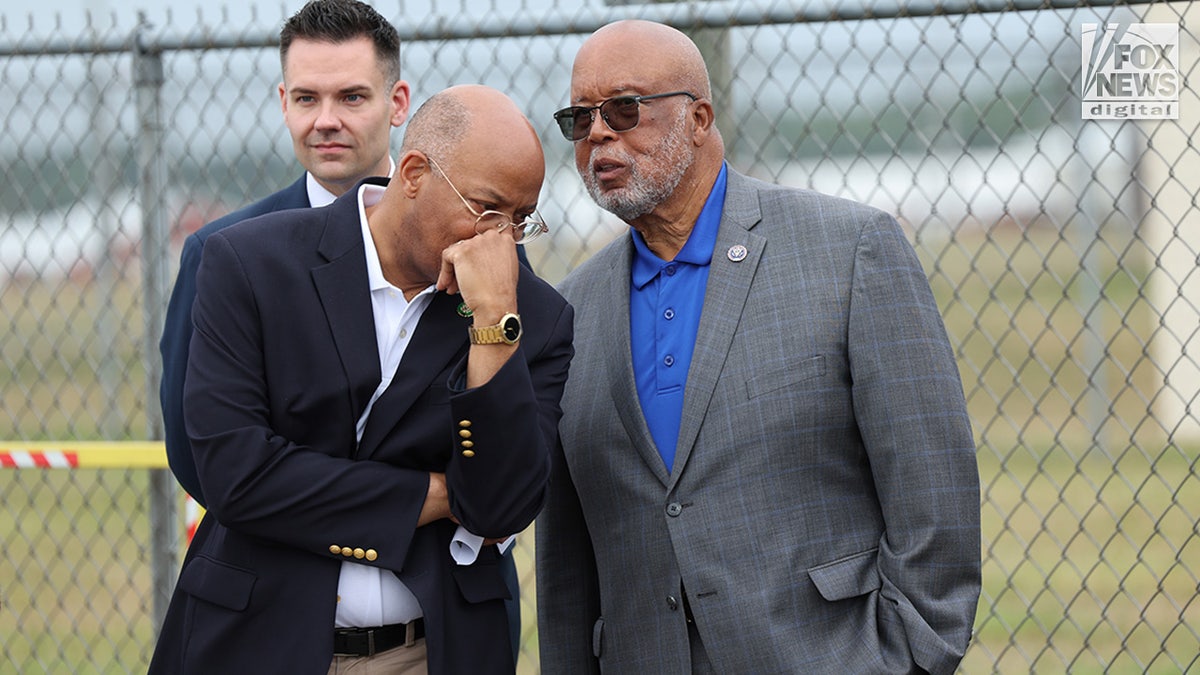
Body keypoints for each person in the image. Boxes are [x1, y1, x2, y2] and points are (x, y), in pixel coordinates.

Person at [536, 19, 981, 675]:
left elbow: (933, 499)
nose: (598, 131)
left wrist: (909, 659)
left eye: (624, 109)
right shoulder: (567, 311)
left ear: (698, 117)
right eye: (580, 119)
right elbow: (566, 564)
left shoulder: (850, 252)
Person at [148, 84, 572, 674]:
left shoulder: (532, 317)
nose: (499, 240)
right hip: (255, 643)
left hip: (432, 651)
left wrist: (492, 329)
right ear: (416, 172)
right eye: (488, 211)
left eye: (521, 221)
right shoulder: (249, 265)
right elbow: (235, 474)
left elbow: (501, 506)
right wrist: (439, 495)